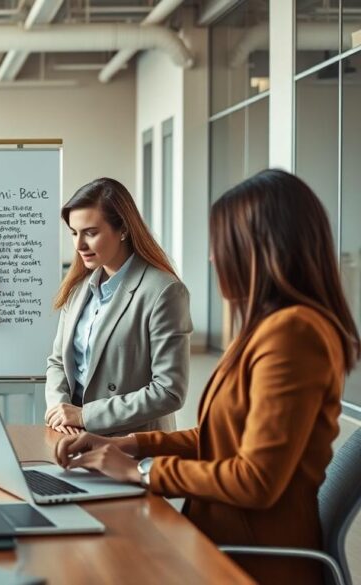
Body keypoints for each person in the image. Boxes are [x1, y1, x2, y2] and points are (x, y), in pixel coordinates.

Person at [54, 170, 359, 584]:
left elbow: (256, 480)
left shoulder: (294, 334)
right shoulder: (267, 328)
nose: (214, 257)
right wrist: (129, 445)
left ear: (262, 248)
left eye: (222, 244)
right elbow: (216, 439)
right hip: (217, 539)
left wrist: (142, 472)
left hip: (249, 560)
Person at [44, 178, 192, 436]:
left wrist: (84, 415)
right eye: (74, 233)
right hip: (72, 437)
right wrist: (60, 409)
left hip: (132, 445)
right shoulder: (78, 289)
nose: (79, 245)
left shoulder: (164, 292)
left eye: (90, 233)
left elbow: (169, 391)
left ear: (122, 229)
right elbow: (57, 362)